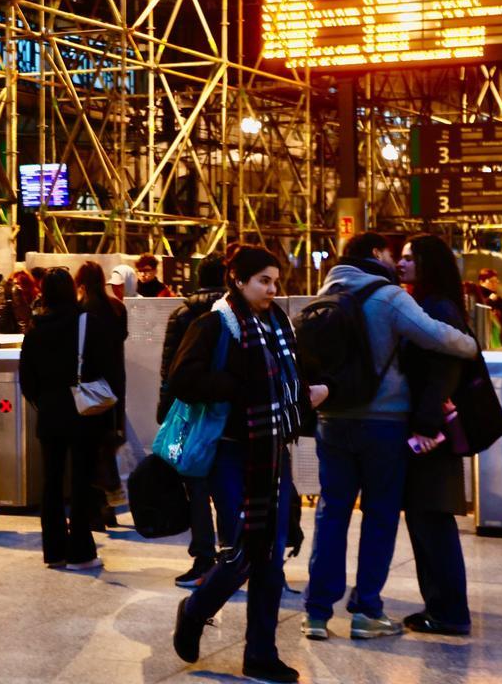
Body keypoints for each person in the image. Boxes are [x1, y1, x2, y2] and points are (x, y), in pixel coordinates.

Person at [301, 232, 477, 644]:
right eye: (390, 253)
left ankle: (316, 613)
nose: (396, 261)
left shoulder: (321, 296)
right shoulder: (388, 297)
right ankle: (366, 612)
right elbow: (439, 336)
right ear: (376, 254)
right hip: (383, 424)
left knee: (331, 514)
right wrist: (469, 343)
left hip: (331, 422)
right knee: (379, 516)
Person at [168, 244, 327, 684]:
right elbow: (182, 379)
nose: (272, 290)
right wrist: (240, 386)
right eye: (264, 281)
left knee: (271, 555)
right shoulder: (215, 324)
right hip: (232, 453)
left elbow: (288, 378)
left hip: (270, 450)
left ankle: (260, 654)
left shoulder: (276, 324)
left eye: (276, 281)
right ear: (237, 279)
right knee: (243, 552)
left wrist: (310, 393)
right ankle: (196, 607)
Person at [395, 234, 473, 636]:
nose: (402, 263)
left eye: (411, 258)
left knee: (432, 520)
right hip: (429, 429)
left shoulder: (436, 307)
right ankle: (440, 608)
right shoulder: (431, 303)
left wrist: (425, 422)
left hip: (431, 435)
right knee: (428, 519)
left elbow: (444, 370)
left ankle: (449, 611)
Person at [19, 268, 115, 570]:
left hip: (49, 412)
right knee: (81, 480)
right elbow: (105, 365)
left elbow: (27, 377)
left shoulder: (35, 326)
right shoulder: (86, 322)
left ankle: (54, 551)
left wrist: (43, 401)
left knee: (51, 480)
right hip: (82, 412)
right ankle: (81, 551)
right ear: (72, 289)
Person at [156, 252, 228, 587]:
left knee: (196, 486)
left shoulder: (182, 314)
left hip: (190, 412)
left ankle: (203, 557)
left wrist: (164, 408)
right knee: (230, 485)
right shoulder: (235, 314)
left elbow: (169, 368)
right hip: (229, 412)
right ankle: (233, 557)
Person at [74, 261, 128, 531]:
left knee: (90, 450)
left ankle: (95, 512)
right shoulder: (117, 308)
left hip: (91, 388)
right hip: (115, 387)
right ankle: (109, 509)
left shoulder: (82, 311)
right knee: (108, 445)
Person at [476, 267, 502, 347]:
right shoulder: (476, 297)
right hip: (482, 341)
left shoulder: (500, 301)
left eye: (496, 282)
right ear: (481, 282)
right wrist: (489, 301)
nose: (495, 284)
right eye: (491, 281)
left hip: (498, 340)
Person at [10, 269, 39, 333]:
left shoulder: (36, 300)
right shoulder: (15, 299)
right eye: (13, 284)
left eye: (17, 283)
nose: (15, 287)